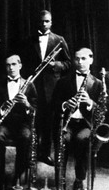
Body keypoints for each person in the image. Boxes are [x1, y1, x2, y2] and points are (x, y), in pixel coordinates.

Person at [20, 10, 72, 166]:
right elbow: (23, 64)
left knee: (50, 121)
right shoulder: (29, 40)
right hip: (34, 86)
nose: (44, 24)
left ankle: (45, 153)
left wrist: (55, 65)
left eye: (47, 21)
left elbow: (68, 63)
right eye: (41, 21)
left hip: (52, 88)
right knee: (34, 119)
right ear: (38, 22)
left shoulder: (59, 40)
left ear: (51, 22)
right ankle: (32, 153)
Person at [52, 48, 102, 190]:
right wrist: (65, 104)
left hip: (86, 125)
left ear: (91, 60)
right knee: (63, 140)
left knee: (82, 140)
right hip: (67, 123)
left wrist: (90, 103)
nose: (80, 62)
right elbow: (54, 103)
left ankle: (79, 182)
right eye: (77, 59)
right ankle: (59, 183)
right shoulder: (63, 81)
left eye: (84, 59)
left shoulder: (98, 83)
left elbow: (102, 110)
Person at [0, 55, 38, 190]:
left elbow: (35, 110)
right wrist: (2, 108)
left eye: (13, 64)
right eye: (8, 65)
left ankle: (17, 177)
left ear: (20, 66)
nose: (11, 68)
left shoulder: (29, 84)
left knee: (25, 137)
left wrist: (26, 103)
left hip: (23, 123)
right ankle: (1, 176)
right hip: (5, 123)